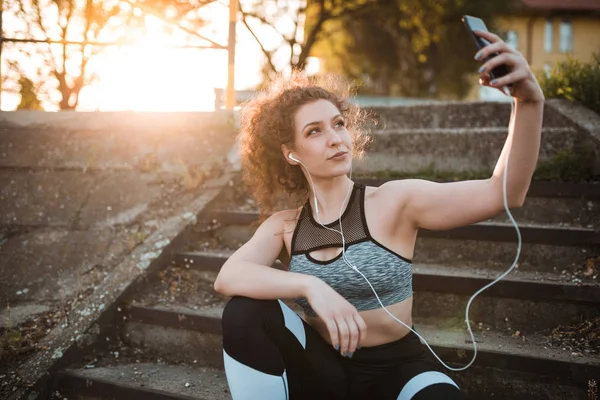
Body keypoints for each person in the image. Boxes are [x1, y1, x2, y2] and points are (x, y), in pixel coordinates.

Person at [214, 29, 544, 400]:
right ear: (291, 153)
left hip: (399, 369)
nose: (336, 138)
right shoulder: (285, 227)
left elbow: (503, 192)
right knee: (243, 312)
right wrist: (310, 285)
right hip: (324, 373)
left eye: (339, 124)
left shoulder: (394, 201)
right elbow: (229, 276)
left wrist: (528, 103)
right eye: (315, 131)